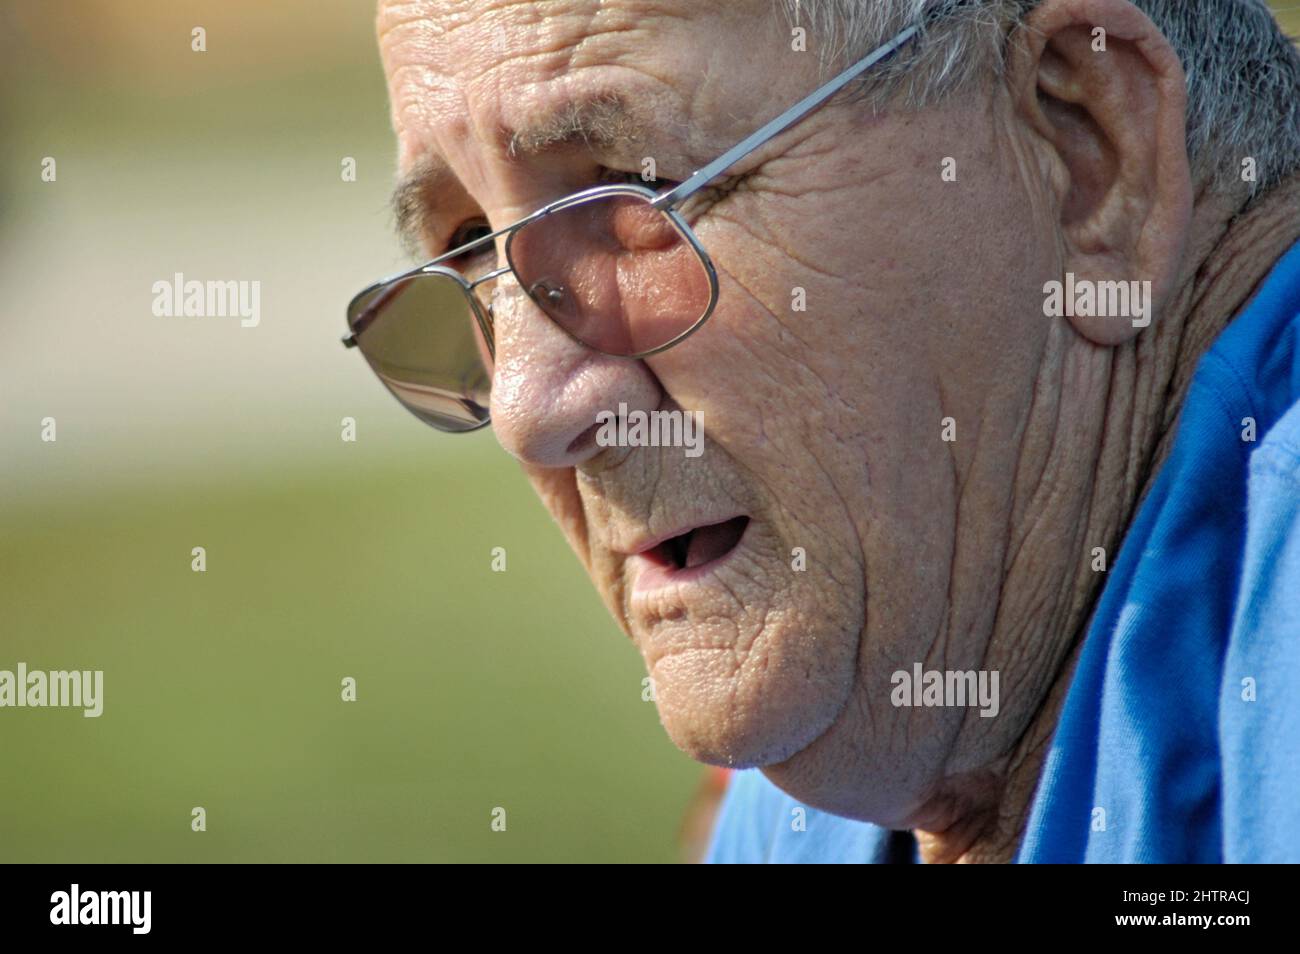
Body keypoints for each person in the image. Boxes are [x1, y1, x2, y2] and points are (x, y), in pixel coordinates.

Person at [346, 0, 1300, 862]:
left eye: (632, 193)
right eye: (468, 246)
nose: (527, 408)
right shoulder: (872, 715)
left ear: (1090, 151)